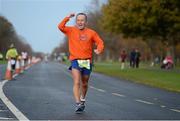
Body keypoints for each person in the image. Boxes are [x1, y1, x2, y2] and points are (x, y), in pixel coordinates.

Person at [58, 13, 104, 113]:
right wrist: (67, 17)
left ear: (85, 22)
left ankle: (82, 99)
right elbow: (60, 26)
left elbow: (100, 42)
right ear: (76, 21)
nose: (80, 22)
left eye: (82, 20)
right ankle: (78, 103)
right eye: (78, 20)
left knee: (84, 83)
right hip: (75, 60)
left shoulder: (91, 32)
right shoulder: (71, 30)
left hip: (87, 61)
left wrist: (99, 49)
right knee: (77, 82)